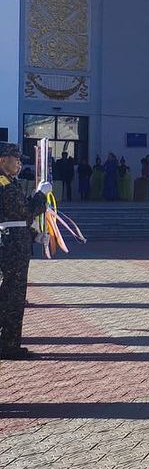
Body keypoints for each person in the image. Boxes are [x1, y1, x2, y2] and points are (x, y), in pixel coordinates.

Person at [0, 143, 49, 360]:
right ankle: (8, 345)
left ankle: (10, 342)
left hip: (15, 242)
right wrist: (40, 194)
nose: (19, 163)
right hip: (11, 246)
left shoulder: (11, 182)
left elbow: (18, 219)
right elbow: (25, 211)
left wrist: (34, 235)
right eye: (15, 159)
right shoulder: (3, 184)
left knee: (13, 293)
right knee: (12, 294)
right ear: (2, 160)